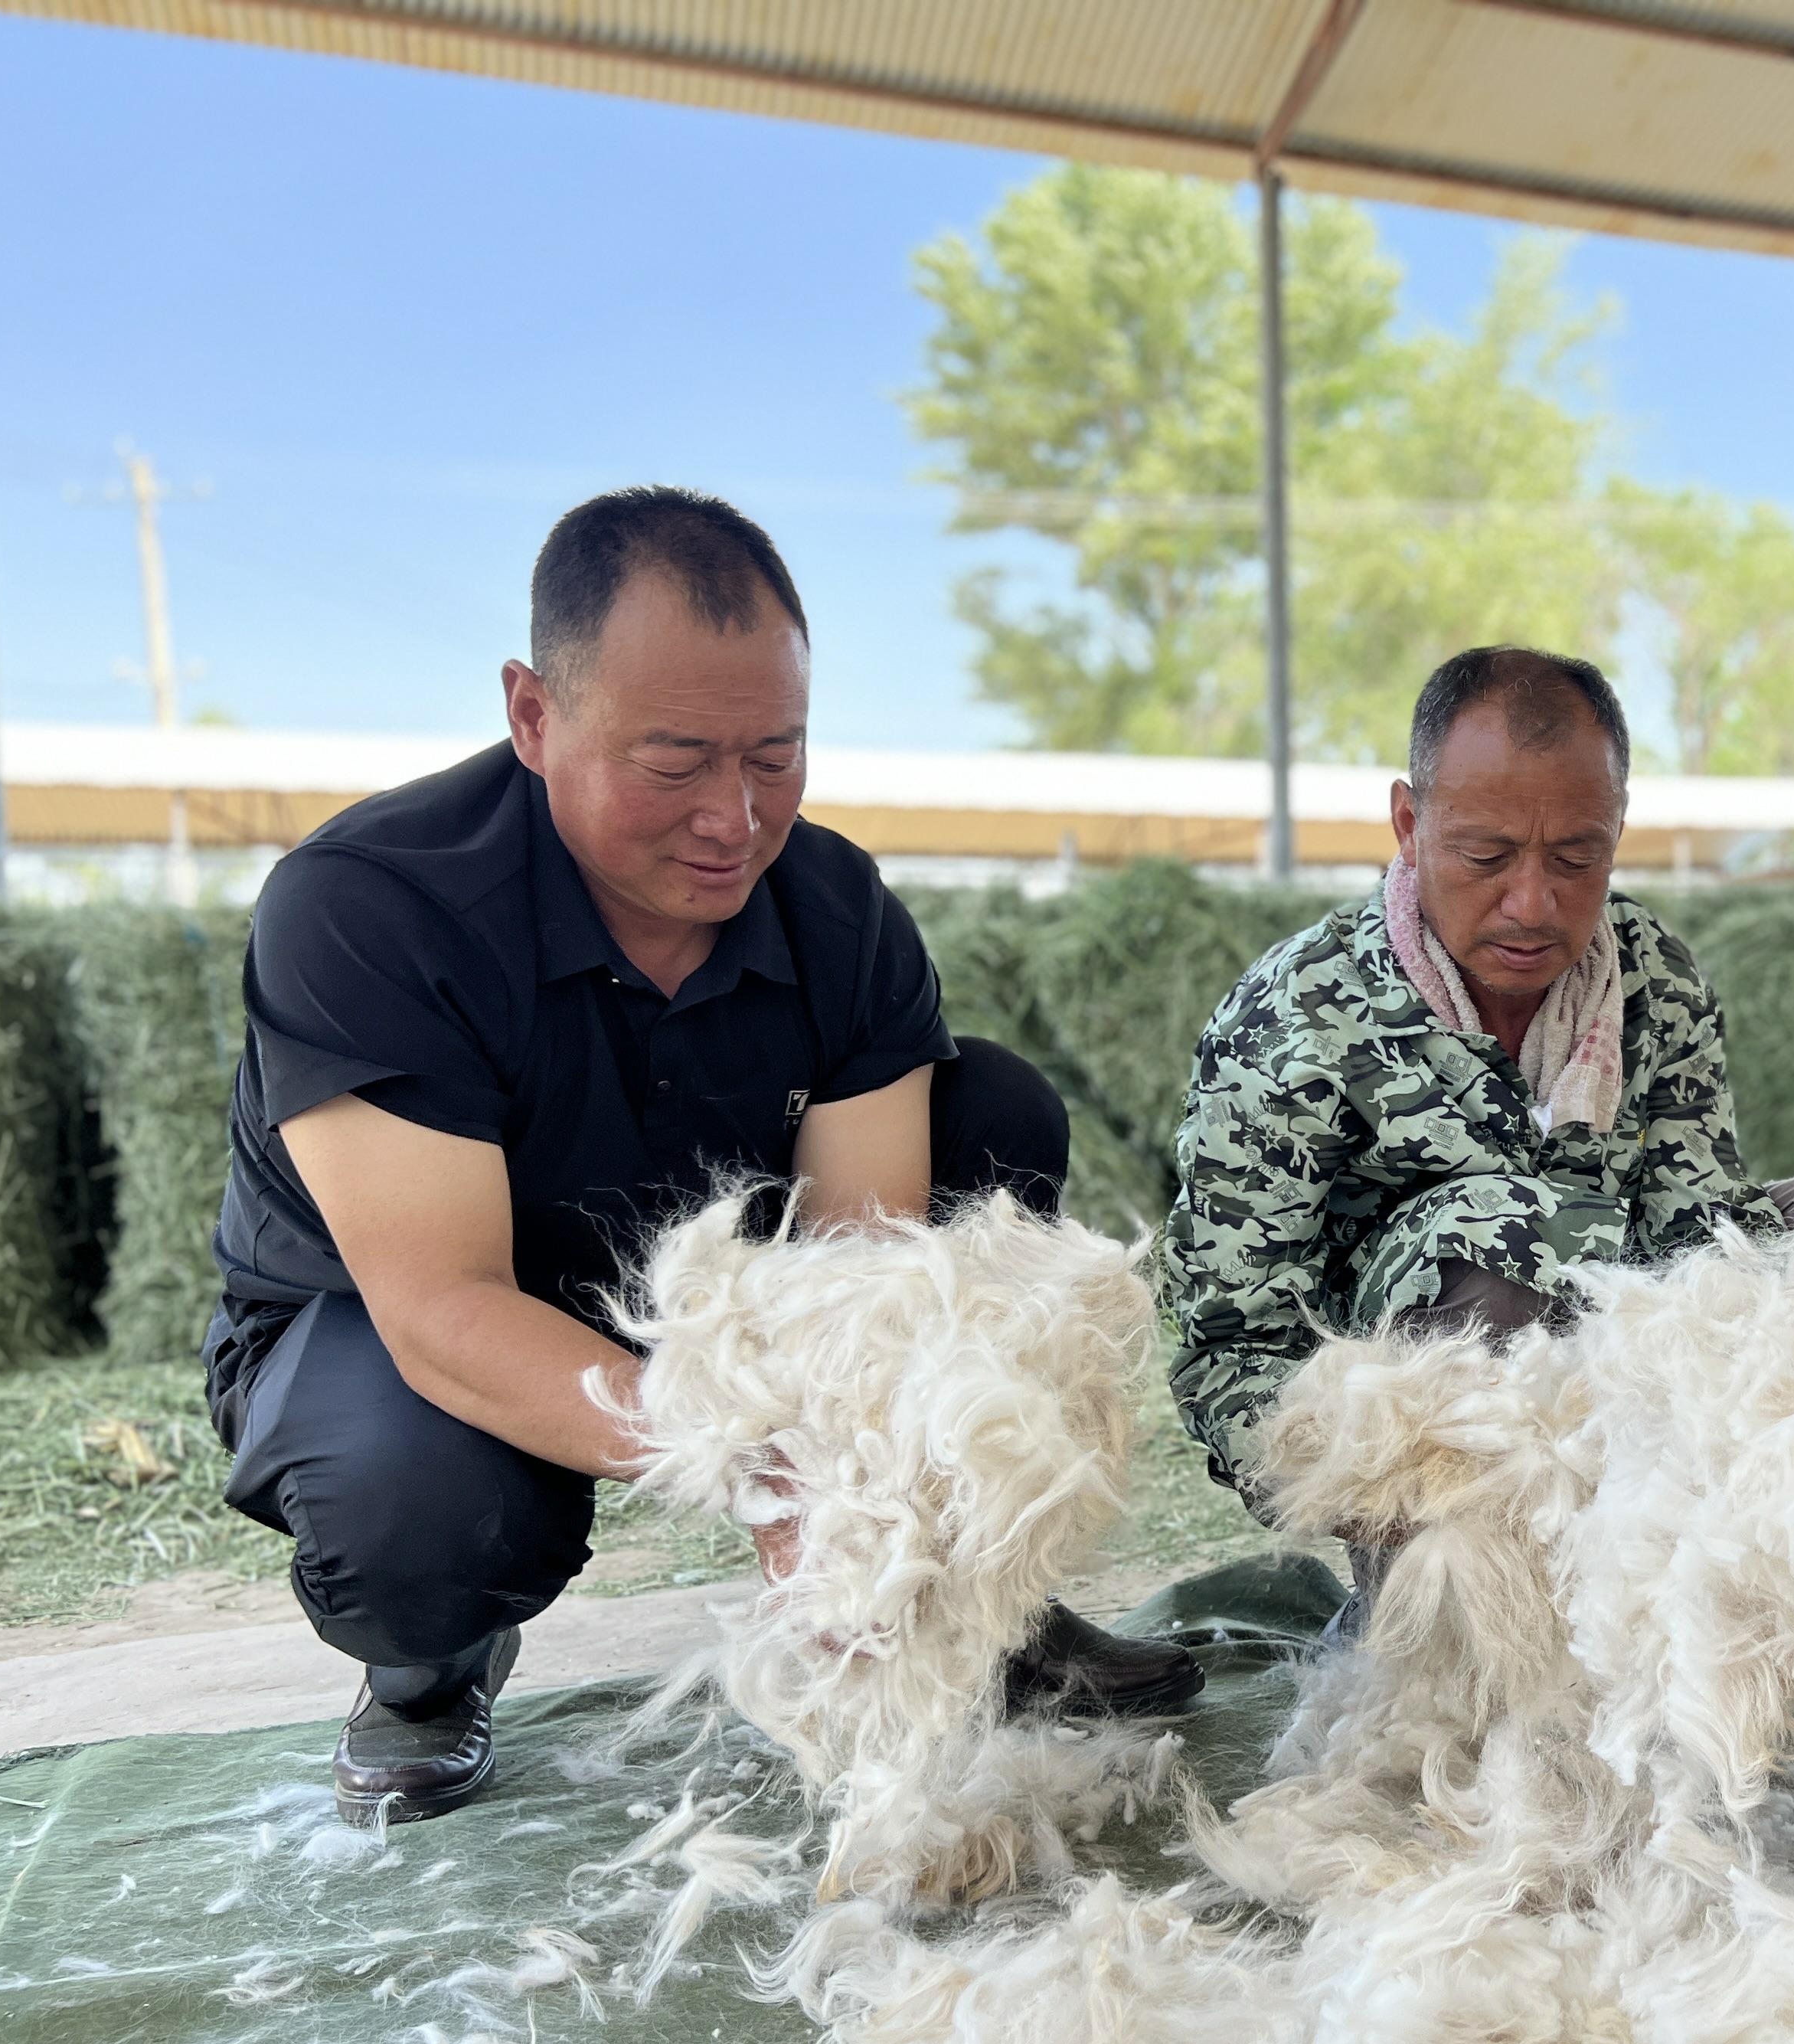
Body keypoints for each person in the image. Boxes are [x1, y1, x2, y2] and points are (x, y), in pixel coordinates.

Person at [207, 486, 1199, 1830]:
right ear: (533, 713)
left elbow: (866, 1276)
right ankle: (427, 1663)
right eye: (674, 761)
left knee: (994, 1121)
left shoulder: (840, 915)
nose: (735, 817)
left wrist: (869, 1514)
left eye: (775, 755)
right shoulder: (369, 908)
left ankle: (977, 1606)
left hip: (703, 1272)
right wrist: (767, 1471)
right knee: (418, 1504)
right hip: (397, 1325)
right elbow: (443, 1309)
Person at [1162, 645, 1794, 1604]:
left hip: (1635, 1401)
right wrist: (1375, 1481)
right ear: (1407, 823)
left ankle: (1767, 1599)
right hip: (1428, 1454)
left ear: (1618, 832)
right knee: (1502, 1247)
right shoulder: (1294, 1023)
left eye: (1577, 858)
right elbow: (1233, 1347)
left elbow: (1701, 1231)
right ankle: (1453, 1650)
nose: (1533, 905)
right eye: (1486, 857)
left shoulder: (1652, 983)